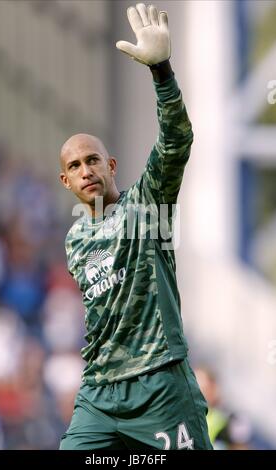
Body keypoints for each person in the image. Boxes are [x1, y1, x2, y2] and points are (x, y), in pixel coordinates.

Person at [59, 3, 212, 450]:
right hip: (100, 392)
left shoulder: (147, 205)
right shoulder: (74, 241)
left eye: (92, 160)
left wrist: (161, 70)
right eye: (74, 165)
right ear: (64, 180)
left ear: (110, 166)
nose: (85, 170)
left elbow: (176, 139)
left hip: (160, 383)